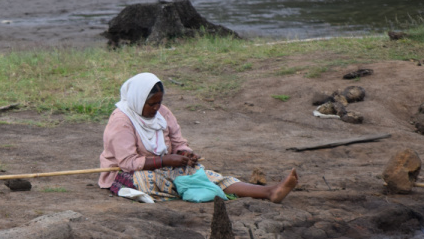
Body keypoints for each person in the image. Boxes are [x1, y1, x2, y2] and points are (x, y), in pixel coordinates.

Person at [99, 72, 298, 203]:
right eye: (151, 104)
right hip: (128, 173)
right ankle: (199, 189)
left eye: (159, 103)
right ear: (137, 99)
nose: (156, 108)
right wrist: (166, 160)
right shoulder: (122, 121)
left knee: (204, 174)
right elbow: (127, 162)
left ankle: (269, 192)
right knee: (154, 180)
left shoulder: (163, 114)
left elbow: (178, 142)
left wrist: (185, 153)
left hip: (167, 166)